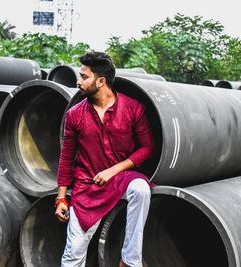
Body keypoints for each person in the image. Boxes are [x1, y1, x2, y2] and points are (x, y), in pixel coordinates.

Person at [55, 51, 155, 267]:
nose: (78, 81)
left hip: (121, 179)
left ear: (100, 81)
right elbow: (66, 158)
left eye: (84, 77)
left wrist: (114, 170)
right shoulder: (74, 114)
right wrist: (61, 198)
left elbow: (148, 148)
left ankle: (129, 260)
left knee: (141, 189)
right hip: (86, 186)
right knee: (73, 255)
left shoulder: (133, 109)